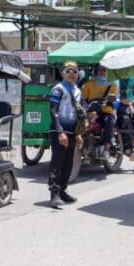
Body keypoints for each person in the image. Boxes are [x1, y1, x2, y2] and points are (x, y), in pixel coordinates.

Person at [48, 60, 85, 209]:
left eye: (74, 71)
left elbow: (78, 112)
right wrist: (60, 131)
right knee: (57, 162)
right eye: (68, 71)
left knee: (69, 163)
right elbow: (53, 111)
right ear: (63, 73)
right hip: (59, 131)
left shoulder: (77, 90)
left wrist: (79, 133)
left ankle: (63, 191)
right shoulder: (58, 89)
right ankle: (54, 194)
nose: (71, 74)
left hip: (72, 131)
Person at [80, 66, 118, 155]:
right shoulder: (89, 84)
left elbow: (115, 99)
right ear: (96, 71)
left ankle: (106, 148)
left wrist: (111, 99)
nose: (101, 72)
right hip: (92, 111)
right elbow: (83, 99)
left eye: (104, 70)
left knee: (108, 122)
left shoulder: (113, 84)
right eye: (99, 70)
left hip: (106, 111)